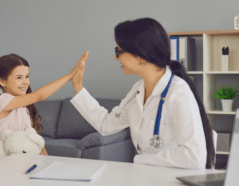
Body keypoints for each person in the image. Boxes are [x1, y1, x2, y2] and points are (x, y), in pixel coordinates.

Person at [70, 18, 215, 169]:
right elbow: (106, 124)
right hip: (147, 175)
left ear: (140, 55)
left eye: (118, 51)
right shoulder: (137, 90)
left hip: (172, 181)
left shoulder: (178, 93)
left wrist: (141, 160)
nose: (115, 57)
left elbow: (194, 157)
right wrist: (78, 87)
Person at [0, 53, 86, 157]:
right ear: (2, 81)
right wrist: (69, 76)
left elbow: (32, 136)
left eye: (27, 77)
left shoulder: (24, 107)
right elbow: (39, 96)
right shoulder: (3, 101)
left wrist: (46, 158)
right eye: (19, 77)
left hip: (20, 159)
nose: (25, 82)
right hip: (0, 160)